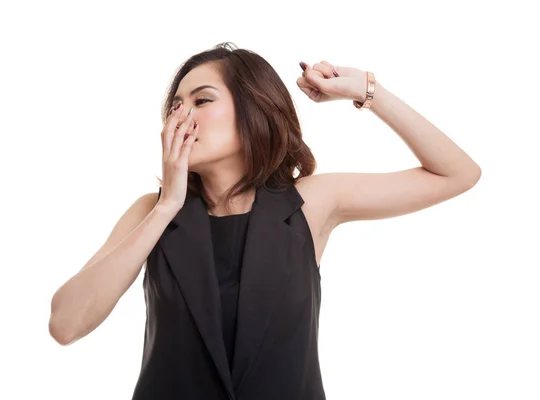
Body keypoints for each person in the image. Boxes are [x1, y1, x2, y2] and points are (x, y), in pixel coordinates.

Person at [48, 42, 481, 399]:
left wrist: (367, 91)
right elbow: (65, 325)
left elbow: (457, 173)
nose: (182, 118)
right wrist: (167, 206)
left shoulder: (308, 203)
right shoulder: (152, 212)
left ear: (253, 108)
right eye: (175, 106)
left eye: (202, 100)